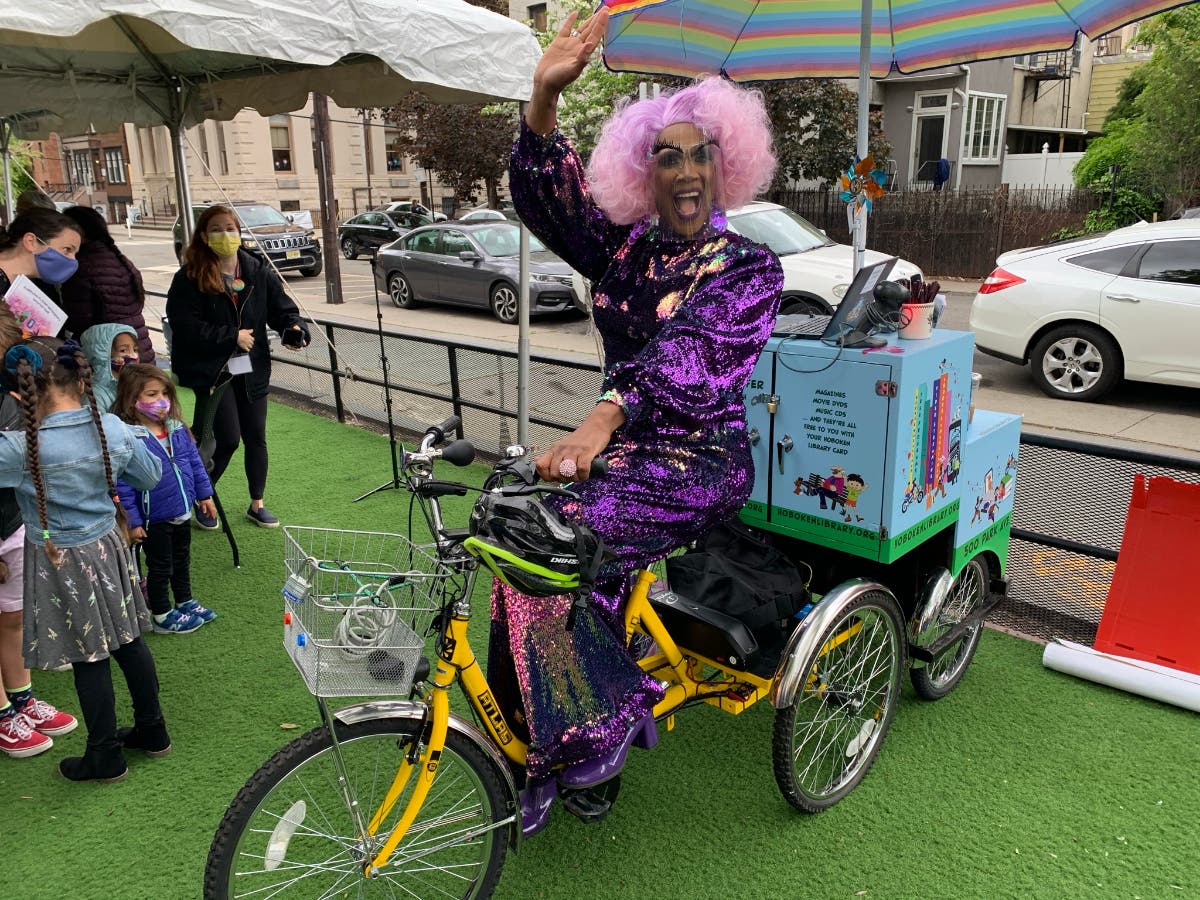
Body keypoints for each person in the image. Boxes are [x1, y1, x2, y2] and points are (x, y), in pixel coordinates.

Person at [494, 9, 783, 826]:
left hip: (700, 461)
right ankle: (544, 721)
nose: (686, 171)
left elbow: (689, 357)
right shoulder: (626, 250)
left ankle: (594, 737)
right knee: (518, 533)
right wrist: (544, 98)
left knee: (555, 546)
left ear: (727, 167)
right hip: (620, 453)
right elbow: (549, 204)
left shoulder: (749, 267)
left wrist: (600, 420)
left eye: (702, 154)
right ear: (643, 171)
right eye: (667, 156)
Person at [0, 338, 167, 781]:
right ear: (82, 379)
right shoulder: (110, 428)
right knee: (129, 639)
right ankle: (153, 731)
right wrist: (127, 436)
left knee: (87, 655)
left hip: (58, 558)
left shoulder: (19, 448)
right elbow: (150, 478)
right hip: (109, 545)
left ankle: (105, 753)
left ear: (20, 393)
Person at [165, 205, 310, 529]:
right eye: (217, 229)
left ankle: (257, 503)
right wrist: (231, 336)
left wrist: (295, 328)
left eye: (230, 228)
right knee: (226, 438)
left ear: (239, 231)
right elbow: (185, 326)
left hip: (252, 369)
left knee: (256, 436)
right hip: (213, 372)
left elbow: (283, 310)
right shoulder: (189, 277)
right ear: (204, 235)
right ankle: (201, 497)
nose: (225, 235)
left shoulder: (256, 270)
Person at [0, 313, 77, 758]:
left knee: (12, 617)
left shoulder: (13, 400)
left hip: (10, 523)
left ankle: (21, 697)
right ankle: (3, 713)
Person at [114, 364, 217, 635]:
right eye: (151, 394)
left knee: (182, 559)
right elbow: (123, 485)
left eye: (164, 393)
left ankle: (185, 601)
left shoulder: (176, 428)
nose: (161, 401)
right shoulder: (128, 436)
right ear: (131, 399)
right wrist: (133, 521)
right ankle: (161, 613)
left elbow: (194, 462)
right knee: (160, 566)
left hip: (181, 509)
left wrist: (204, 495)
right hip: (153, 517)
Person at [60, 205, 155, 363]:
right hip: (138, 346)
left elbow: (79, 320)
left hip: (110, 354)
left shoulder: (80, 267)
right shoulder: (119, 258)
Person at [0, 208, 82, 302]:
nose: (73, 260)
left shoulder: (31, 286)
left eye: (75, 254)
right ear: (31, 242)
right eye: (67, 249)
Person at [80, 322, 140, 413]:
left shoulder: (138, 384)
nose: (133, 355)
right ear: (102, 356)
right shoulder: (96, 396)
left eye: (135, 350)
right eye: (123, 350)